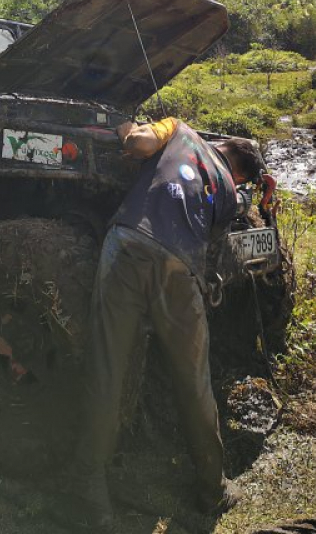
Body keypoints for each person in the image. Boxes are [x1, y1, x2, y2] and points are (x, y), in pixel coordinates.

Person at [63, 115, 270, 530]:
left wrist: (125, 127)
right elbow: (214, 248)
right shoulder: (230, 194)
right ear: (241, 175)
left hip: (129, 246)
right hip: (180, 269)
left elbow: (139, 144)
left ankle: (88, 489)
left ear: (224, 143)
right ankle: (212, 489)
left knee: (109, 368)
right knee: (194, 379)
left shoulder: (179, 129)